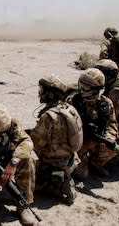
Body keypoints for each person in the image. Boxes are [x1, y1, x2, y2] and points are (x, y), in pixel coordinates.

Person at [0, 102, 38, 226]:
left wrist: (13, 162)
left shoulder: (12, 124)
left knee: (28, 158)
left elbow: (27, 141)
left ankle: (24, 204)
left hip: (4, 158)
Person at [30, 75, 83, 205]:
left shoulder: (48, 116)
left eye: (42, 91)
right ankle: (63, 179)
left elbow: (35, 143)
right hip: (71, 159)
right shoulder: (69, 109)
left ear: (50, 94)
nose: (39, 94)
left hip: (52, 162)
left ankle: (56, 185)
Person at [68, 68, 119, 179]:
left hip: (96, 141)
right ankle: (84, 162)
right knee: (81, 175)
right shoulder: (73, 102)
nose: (81, 90)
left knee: (111, 147)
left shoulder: (106, 104)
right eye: (80, 85)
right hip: (76, 143)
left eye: (86, 87)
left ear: (97, 89)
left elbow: (112, 124)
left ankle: (94, 163)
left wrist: (107, 137)